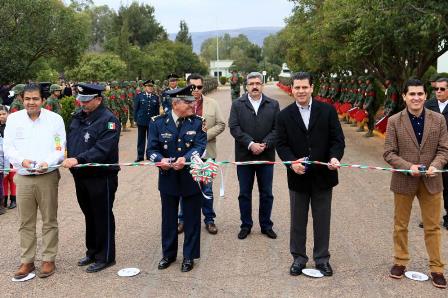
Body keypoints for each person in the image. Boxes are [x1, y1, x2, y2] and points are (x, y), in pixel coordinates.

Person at [276, 72, 345, 277]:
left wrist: (334, 157)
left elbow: (337, 140)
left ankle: (322, 259)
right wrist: (291, 163)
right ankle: (299, 258)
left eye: (304, 87)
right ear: (293, 89)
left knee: (322, 220)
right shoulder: (284, 115)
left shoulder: (327, 111)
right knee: (298, 220)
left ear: (312, 88)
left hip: (324, 176)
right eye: (297, 88)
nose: (301, 91)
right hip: (298, 176)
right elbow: (281, 144)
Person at [384, 78, 448, 289]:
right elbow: (389, 152)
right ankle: (400, 261)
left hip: (432, 180)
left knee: (433, 227)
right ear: (404, 96)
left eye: (420, 94)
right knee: (400, 225)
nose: (416, 98)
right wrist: (407, 166)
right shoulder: (394, 121)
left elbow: (444, 150)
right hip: (404, 179)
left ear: (425, 96)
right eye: (412, 94)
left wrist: (436, 165)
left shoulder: (438, 120)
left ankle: (437, 268)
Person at [4, 83, 66, 279]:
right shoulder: (13, 119)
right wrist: (21, 161)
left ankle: (48, 259)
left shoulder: (54, 119)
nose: (31, 102)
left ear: (43, 100)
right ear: (22, 99)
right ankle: (27, 261)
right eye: (28, 99)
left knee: (49, 220)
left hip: (47, 176)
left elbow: (59, 146)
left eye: (35, 99)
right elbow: (8, 147)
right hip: (23, 177)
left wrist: (48, 162)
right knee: (25, 222)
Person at [62, 83, 121, 273]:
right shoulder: (78, 117)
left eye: (87, 101)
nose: (82, 104)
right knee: (89, 214)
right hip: (81, 176)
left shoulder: (109, 120)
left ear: (98, 99)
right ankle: (92, 251)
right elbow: (72, 141)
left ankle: (106, 256)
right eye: (81, 100)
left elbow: (102, 150)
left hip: (100, 176)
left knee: (102, 215)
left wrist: (78, 159)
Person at [147, 85, 206, 272]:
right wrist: (160, 160)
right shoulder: (157, 122)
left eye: (193, 101)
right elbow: (151, 150)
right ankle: (168, 254)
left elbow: (200, 146)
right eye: (188, 102)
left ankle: (189, 256)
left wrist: (186, 159)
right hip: (168, 177)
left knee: (191, 218)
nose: (192, 104)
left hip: (191, 176)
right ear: (175, 103)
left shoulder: (197, 122)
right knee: (168, 218)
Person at [229, 72, 280, 240]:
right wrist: (250, 144)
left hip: (266, 155)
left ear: (262, 85)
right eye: (251, 84)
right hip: (245, 155)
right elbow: (234, 127)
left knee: (267, 193)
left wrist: (264, 144)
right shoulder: (237, 104)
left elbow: (277, 129)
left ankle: (266, 225)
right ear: (246, 86)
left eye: (258, 83)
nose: (255, 86)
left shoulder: (273, 104)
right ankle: (246, 225)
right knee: (244, 193)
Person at [178, 74, 226, 235]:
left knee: (207, 188)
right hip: (185, 154)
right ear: (187, 87)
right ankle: (182, 219)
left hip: (207, 152)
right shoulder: (179, 104)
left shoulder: (212, 104)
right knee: (184, 187)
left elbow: (221, 124)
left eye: (199, 87)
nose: (196, 90)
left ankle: (209, 219)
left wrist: (203, 137)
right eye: (193, 87)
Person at [424, 77, 448, 230]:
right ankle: (429, 218)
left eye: (442, 89)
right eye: (436, 89)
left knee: (447, 186)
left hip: (447, 151)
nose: (438, 92)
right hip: (431, 152)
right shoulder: (428, 105)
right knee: (429, 187)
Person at [133, 79, 160, 162]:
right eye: (148, 86)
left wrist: (157, 121)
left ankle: (149, 155)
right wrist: (135, 119)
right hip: (141, 120)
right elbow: (136, 109)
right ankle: (140, 156)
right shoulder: (139, 96)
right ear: (145, 87)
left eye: (151, 86)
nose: (150, 88)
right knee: (141, 139)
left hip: (151, 121)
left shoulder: (156, 97)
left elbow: (157, 111)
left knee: (151, 139)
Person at [0, 105, 16, 209]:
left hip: (12, 156)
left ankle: (13, 199)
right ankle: (4, 199)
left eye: (3, 114)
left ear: (8, 114)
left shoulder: (12, 126)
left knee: (12, 177)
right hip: (2, 156)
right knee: (4, 179)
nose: (1, 116)